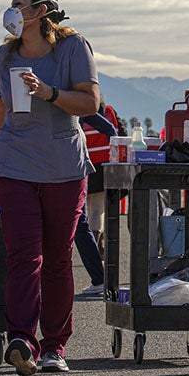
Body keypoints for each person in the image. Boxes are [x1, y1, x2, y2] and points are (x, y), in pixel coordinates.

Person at [0, 0, 98, 376]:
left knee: (58, 260)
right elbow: (2, 105)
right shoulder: (6, 53)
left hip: (63, 164)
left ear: (40, 11)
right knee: (24, 256)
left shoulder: (73, 47)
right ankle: (21, 339)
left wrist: (47, 92)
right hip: (14, 164)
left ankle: (55, 346)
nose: (11, 11)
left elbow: (91, 102)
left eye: (19, 4)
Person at [74, 109, 117, 294]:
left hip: (48, 169)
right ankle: (99, 277)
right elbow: (110, 129)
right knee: (83, 221)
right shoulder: (76, 101)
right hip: (77, 168)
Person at [84, 100, 125, 262]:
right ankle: (98, 242)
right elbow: (121, 134)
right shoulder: (109, 111)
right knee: (98, 209)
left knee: (84, 210)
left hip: (83, 165)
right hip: (104, 166)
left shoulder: (76, 111)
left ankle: (90, 242)